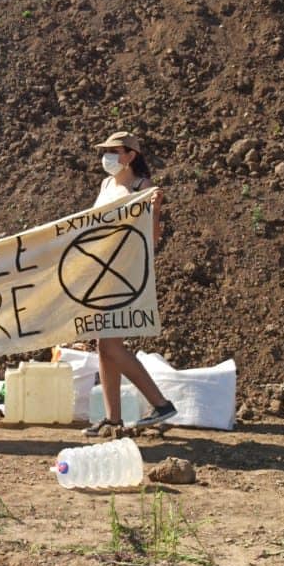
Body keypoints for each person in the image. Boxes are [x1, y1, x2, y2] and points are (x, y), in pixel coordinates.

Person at [83, 130, 179, 437]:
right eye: (105, 151)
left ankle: (160, 404)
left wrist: (155, 208)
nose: (107, 157)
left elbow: (152, 237)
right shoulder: (106, 185)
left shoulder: (142, 188)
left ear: (130, 155)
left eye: (113, 151)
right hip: (102, 270)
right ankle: (113, 419)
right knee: (104, 345)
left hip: (124, 273)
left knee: (111, 344)